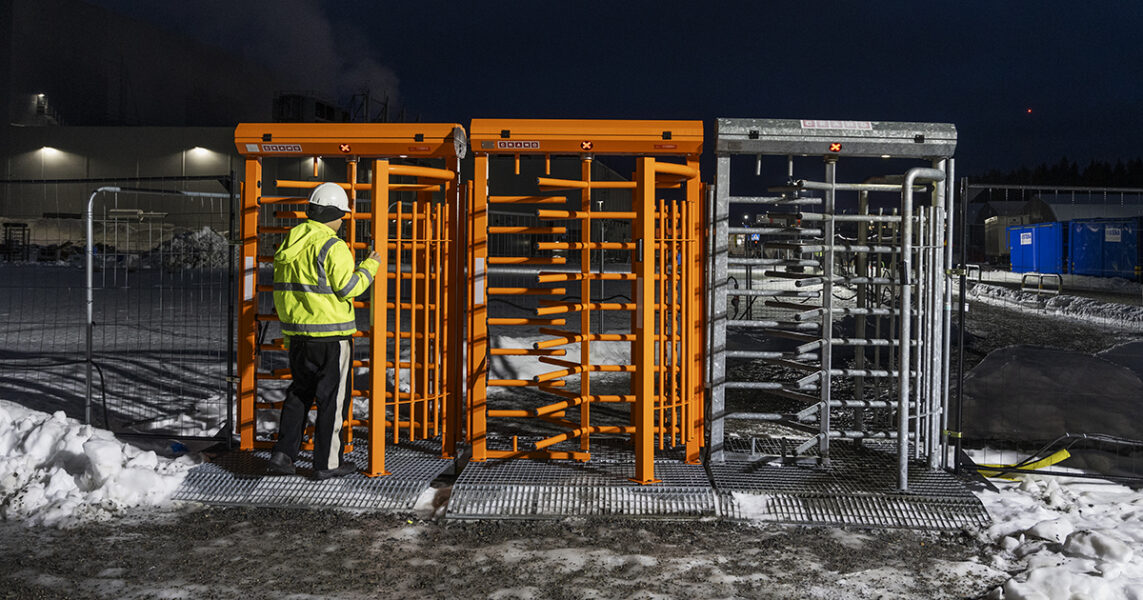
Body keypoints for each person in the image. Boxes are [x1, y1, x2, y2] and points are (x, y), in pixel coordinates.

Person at [266, 182, 380, 480]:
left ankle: (282, 455)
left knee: (298, 395)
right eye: (341, 215)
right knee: (332, 401)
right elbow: (348, 287)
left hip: (298, 337)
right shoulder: (333, 245)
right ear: (331, 213)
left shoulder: (290, 242)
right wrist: (371, 266)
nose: (342, 221)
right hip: (331, 338)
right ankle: (327, 463)